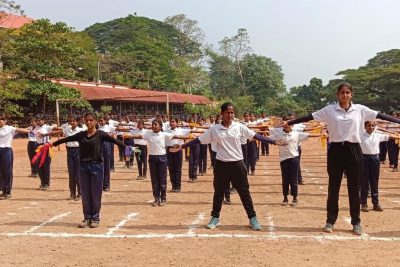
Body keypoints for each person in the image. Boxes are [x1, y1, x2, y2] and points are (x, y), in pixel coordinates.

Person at [281, 82, 400, 235]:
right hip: (336, 151)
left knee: (354, 187)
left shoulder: (360, 110)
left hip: (354, 150)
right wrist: (290, 122)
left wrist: (398, 121)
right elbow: (309, 117)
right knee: (334, 187)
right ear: (338, 95)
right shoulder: (330, 110)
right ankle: (330, 221)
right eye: (342, 92)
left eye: (347, 92)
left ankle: (356, 222)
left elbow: (380, 115)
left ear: (351, 94)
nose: (345, 95)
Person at [169, 102, 285, 231]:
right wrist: (182, 146)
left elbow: (255, 136)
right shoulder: (214, 129)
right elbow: (199, 140)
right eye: (227, 112)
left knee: (244, 193)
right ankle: (215, 218)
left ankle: (253, 218)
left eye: (232, 112)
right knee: (218, 193)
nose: (230, 115)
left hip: (238, 164)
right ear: (222, 114)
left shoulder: (239, 127)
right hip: (221, 165)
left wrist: (273, 141)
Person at [52, 113, 126, 228]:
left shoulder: (101, 134)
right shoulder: (81, 135)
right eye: (86, 120)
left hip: (97, 167)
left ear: (95, 121)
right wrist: (51, 144)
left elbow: (115, 141)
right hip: (83, 167)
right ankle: (87, 218)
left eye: (91, 120)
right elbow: (67, 139)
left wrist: (128, 148)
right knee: (86, 194)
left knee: (96, 194)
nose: (89, 122)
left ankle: (95, 218)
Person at [125, 119, 188, 206]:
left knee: (162, 179)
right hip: (152, 158)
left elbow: (176, 137)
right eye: (153, 124)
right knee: (154, 180)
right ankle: (156, 198)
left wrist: (190, 137)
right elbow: (139, 136)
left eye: (156, 124)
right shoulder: (148, 134)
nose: (154, 126)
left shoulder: (164, 134)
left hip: (162, 158)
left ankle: (163, 198)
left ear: (160, 126)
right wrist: (130, 136)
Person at [270, 121, 320, 206]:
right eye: (285, 126)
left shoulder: (296, 134)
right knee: (285, 179)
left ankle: (294, 198)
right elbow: (267, 138)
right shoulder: (278, 135)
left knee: (293, 179)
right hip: (283, 159)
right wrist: (254, 137)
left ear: (291, 126)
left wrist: (322, 135)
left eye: (288, 125)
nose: (286, 127)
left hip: (294, 159)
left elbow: (309, 135)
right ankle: (285, 198)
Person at [360, 121, 395, 212]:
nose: (370, 127)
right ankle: (364, 203)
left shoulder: (378, 135)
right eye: (368, 126)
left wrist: (397, 135)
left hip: (375, 159)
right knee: (364, 182)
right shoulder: (360, 135)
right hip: (364, 159)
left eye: (372, 126)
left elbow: (390, 137)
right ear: (365, 126)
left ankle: (375, 203)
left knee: (374, 181)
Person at [0, 115, 32, 199]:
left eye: (1, 119)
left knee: (7, 171)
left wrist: (31, 130)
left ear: (5, 120)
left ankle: (7, 191)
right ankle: (2, 190)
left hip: (6, 150)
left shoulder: (10, 128)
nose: (0, 121)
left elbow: (23, 130)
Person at [165, 117, 190, 192]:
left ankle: (178, 187)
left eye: (173, 121)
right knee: (171, 169)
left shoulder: (181, 130)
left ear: (177, 122)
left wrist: (188, 124)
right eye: (170, 121)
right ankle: (173, 186)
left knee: (178, 169)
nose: (171, 123)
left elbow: (191, 131)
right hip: (169, 149)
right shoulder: (166, 131)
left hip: (178, 150)